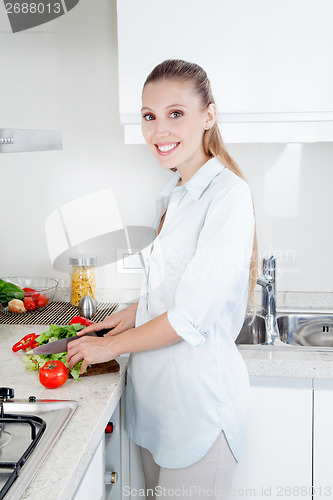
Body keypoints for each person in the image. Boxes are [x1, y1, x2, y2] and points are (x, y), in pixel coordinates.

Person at [67, 59, 257, 500]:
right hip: (156, 410)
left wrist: (107, 347)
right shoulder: (171, 192)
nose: (159, 131)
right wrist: (128, 317)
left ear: (208, 116)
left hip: (199, 414)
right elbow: (169, 293)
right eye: (149, 117)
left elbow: (190, 316)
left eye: (176, 114)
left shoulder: (228, 195)